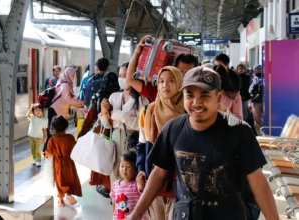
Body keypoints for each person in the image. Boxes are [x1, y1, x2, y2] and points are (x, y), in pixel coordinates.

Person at [127, 66, 279, 220]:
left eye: (204, 96)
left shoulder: (239, 131)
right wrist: (135, 215)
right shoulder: (174, 128)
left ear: (219, 98)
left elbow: (258, 182)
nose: (196, 103)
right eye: (190, 95)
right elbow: (159, 173)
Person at [136, 66, 186, 220]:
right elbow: (142, 144)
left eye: (171, 81)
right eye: (161, 81)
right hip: (154, 182)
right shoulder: (148, 111)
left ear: (179, 83)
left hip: (181, 183)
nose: (165, 85)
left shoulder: (188, 112)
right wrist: (140, 169)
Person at [99, 62, 149, 185]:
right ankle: (117, 201)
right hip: (115, 139)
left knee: (132, 172)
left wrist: (124, 117)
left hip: (133, 140)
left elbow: (143, 126)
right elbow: (107, 125)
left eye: (125, 75)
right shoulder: (114, 97)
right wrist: (103, 111)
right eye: (120, 75)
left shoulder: (142, 99)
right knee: (116, 172)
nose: (122, 79)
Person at [77, 71, 120, 198]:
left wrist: (82, 133)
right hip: (115, 131)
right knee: (113, 159)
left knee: (101, 159)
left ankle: (106, 186)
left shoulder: (98, 96)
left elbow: (90, 116)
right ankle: (114, 185)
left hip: (100, 132)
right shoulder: (118, 97)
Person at [126, 35, 198, 101]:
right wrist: (137, 53)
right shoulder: (163, 91)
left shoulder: (196, 95)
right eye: (180, 72)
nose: (183, 76)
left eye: (188, 72)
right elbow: (131, 80)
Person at [43, 67, 84, 152]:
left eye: (74, 75)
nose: (73, 76)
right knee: (54, 131)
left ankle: (51, 149)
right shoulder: (65, 85)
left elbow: (70, 97)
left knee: (55, 130)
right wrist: (81, 101)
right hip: (56, 110)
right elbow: (67, 99)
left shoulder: (65, 82)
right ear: (68, 74)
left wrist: (78, 101)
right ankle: (48, 150)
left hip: (57, 109)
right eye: (72, 75)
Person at [45, 115, 82, 207]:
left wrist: (44, 154)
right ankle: (69, 194)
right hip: (69, 162)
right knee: (70, 178)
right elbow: (75, 148)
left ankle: (61, 200)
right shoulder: (70, 137)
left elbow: (49, 153)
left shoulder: (52, 140)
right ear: (66, 126)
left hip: (58, 164)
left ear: (53, 128)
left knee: (60, 181)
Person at [110, 151, 147, 220]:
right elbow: (114, 203)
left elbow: (143, 191)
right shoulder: (115, 185)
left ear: (135, 170)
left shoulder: (137, 184)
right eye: (122, 166)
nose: (124, 169)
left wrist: (141, 184)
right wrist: (114, 216)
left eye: (129, 166)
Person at [26, 103, 47, 167]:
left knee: (38, 149)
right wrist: (30, 108)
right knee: (33, 149)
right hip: (31, 136)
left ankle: (38, 161)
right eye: (36, 110)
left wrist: (45, 137)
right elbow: (27, 116)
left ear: (42, 112)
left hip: (39, 137)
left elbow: (44, 129)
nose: (38, 112)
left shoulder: (43, 120)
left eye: (39, 110)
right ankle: (35, 159)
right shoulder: (32, 117)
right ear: (33, 112)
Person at [249, 64, 264, 136]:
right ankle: (260, 135)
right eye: (255, 70)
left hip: (264, 101)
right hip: (256, 101)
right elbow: (250, 91)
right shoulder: (254, 79)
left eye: (257, 70)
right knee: (257, 119)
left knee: (262, 119)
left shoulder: (266, 78)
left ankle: (263, 135)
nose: (256, 71)